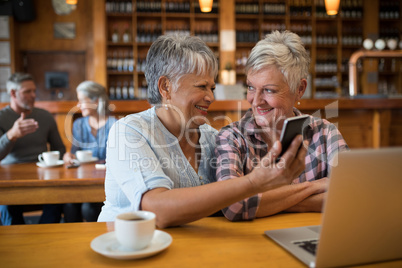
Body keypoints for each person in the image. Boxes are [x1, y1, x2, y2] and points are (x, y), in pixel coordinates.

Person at [98, 34, 308, 228]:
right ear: (165, 87)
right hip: (125, 249)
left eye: (212, 88)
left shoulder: (213, 138)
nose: (211, 97)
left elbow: (244, 205)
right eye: (201, 87)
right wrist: (253, 182)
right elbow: (156, 210)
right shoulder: (129, 132)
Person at [215, 30, 349, 221]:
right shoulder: (231, 137)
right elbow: (233, 205)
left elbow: (350, 194)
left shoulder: (326, 133)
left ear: (299, 89)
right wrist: (312, 187)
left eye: (269, 90)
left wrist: (268, 201)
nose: (256, 101)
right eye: (251, 87)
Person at [0, 72, 66, 225]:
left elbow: (60, 149)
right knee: (6, 205)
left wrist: (57, 161)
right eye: (27, 92)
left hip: (43, 178)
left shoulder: (45, 116)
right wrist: (11, 135)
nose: (33, 95)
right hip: (11, 180)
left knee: (59, 198)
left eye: (34, 90)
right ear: (13, 93)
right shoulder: (2, 118)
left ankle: (44, 240)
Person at [63, 81, 117, 222]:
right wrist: (69, 155)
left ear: (96, 101)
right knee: (69, 205)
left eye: (81, 101)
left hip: (104, 183)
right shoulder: (78, 124)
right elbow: (74, 152)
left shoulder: (114, 124)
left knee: (89, 208)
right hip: (82, 181)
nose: (78, 105)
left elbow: (117, 159)